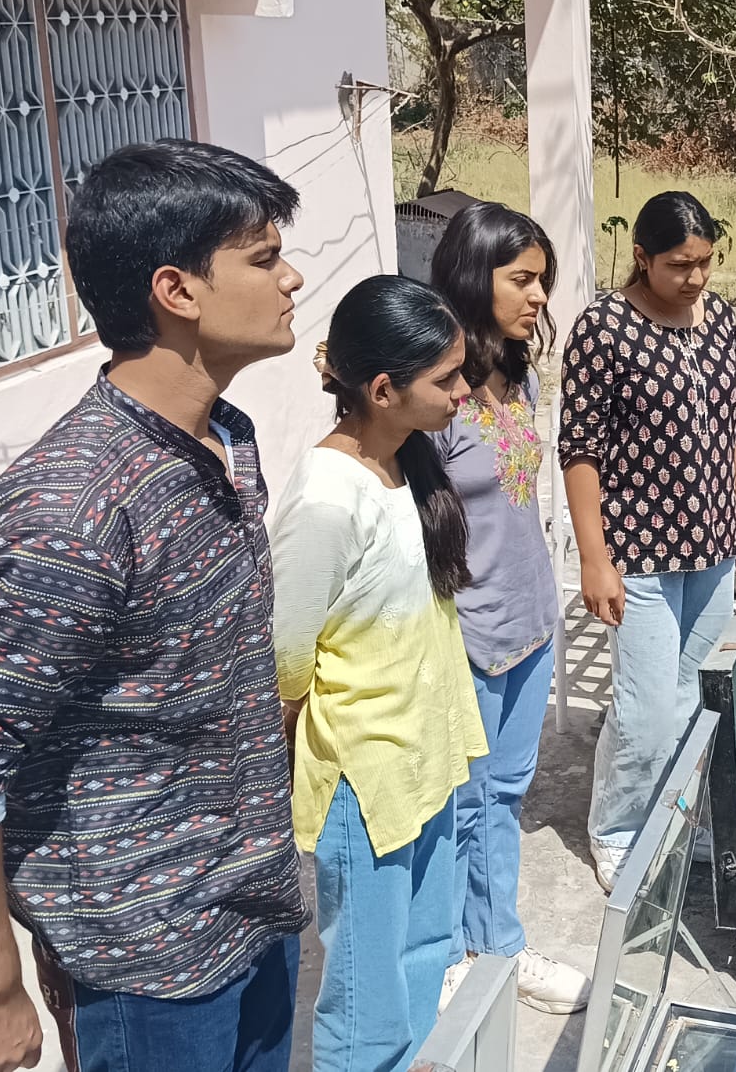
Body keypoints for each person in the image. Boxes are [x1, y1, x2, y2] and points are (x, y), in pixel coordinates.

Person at [0, 140, 310, 1072]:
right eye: (263, 259)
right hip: (144, 960)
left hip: (254, 908)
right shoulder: (72, 508)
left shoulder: (229, 438)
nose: (292, 276)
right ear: (176, 291)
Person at [270, 275, 489, 1072]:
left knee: (426, 951)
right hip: (365, 783)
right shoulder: (328, 499)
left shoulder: (406, 462)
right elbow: (285, 655)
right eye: (447, 379)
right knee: (366, 1002)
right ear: (384, 388)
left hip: (424, 762)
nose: (465, 391)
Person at [560, 189, 736, 892]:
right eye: (679, 265)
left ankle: (672, 817)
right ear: (642, 258)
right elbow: (580, 448)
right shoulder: (604, 328)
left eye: (705, 262)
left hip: (708, 543)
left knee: (691, 697)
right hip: (636, 550)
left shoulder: (719, 320)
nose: (696, 278)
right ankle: (616, 829)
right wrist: (594, 558)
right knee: (644, 709)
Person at [427, 201, 591, 1013]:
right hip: (466, 630)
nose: (538, 297)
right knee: (458, 803)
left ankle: (499, 944)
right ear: (472, 274)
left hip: (530, 620)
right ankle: (452, 954)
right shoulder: (432, 396)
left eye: (543, 282)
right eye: (522, 279)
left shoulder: (516, 373)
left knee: (503, 796)